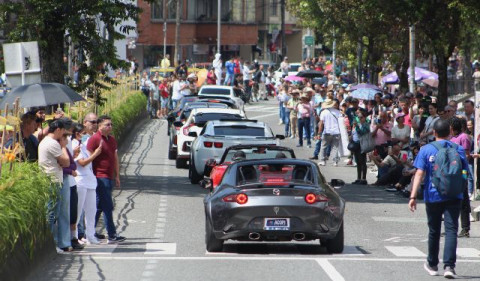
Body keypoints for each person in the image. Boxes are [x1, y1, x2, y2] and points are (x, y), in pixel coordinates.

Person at [409, 119, 468, 279]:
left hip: (433, 194)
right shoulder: (459, 149)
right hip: (454, 195)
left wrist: (413, 196)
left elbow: (419, 173)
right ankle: (449, 266)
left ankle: (432, 264)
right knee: (451, 230)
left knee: (434, 230)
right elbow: (465, 172)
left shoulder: (426, 150)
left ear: (434, 132)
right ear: (450, 133)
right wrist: (461, 189)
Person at [87, 115, 126, 243]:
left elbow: (115, 158)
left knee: (99, 205)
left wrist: (117, 175)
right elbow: (88, 157)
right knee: (108, 205)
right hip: (99, 176)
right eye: (107, 125)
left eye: (111, 124)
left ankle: (90, 230)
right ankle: (112, 234)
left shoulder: (112, 139)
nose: (110, 127)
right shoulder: (94, 139)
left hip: (109, 176)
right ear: (99, 126)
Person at [39, 119, 71, 253]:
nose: (63, 135)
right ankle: (51, 245)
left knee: (54, 212)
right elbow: (66, 162)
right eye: (63, 131)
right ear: (58, 130)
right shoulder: (52, 143)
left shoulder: (46, 141)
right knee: (51, 213)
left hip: (53, 179)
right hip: (52, 181)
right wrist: (63, 146)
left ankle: (54, 243)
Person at [72, 123, 103, 245]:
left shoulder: (83, 146)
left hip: (89, 180)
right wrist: (96, 154)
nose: (85, 136)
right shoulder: (74, 145)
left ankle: (90, 235)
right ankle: (74, 237)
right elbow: (82, 162)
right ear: (77, 134)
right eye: (83, 134)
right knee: (78, 211)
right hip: (80, 181)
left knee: (92, 210)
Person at [450, 117, 472, 238]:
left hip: (462, 171)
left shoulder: (463, 137)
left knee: (463, 199)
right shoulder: (452, 139)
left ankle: (465, 228)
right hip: (452, 172)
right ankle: (452, 227)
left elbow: (467, 155)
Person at [317, 99, 341, 167]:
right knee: (335, 147)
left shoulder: (323, 112)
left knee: (323, 146)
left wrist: (319, 133)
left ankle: (322, 161)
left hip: (327, 131)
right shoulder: (338, 112)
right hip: (336, 131)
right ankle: (335, 162)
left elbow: (321, 123)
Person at [351, 110, 369, 185]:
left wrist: (357, 127)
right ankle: (358, 178)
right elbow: (353, 133)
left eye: (361, 117)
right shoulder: (357, 124)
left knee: (363, 161)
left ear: (365, 118)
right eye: (359, 117)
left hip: (362, 144)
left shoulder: (366, 125)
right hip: (356, 144)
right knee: (358, 161)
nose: (360, 119)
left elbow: (362, 133)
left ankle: (363, 178)